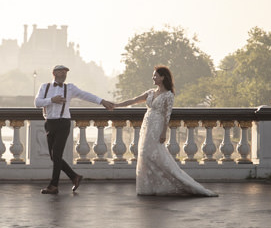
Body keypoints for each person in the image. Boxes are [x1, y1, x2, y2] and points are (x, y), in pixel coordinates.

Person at [115, 65, 217, 197]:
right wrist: (116, 105)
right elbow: (134, 100)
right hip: (147, 125)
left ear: (162, 77)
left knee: (154, 155)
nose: (153, 78)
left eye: (155, 76)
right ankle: (148, 186)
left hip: (157, 126)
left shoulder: (168, 95)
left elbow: (167, 115)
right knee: (144, 155)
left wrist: (163, 132)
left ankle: (175, 182)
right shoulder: (151, 92)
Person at [34, 64, 115, 195]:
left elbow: (85, 95)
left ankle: (53, 185)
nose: (64, 75)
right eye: (61, 72)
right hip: (49, 123)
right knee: (54, 156)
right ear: (54, 73)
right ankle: (74, 177)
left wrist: (102, 101)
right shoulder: (45, 87)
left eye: (65, 73)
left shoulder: (69, 88)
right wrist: (52, 100)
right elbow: (37, 103)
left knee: (57, 155)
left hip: (63, 123)